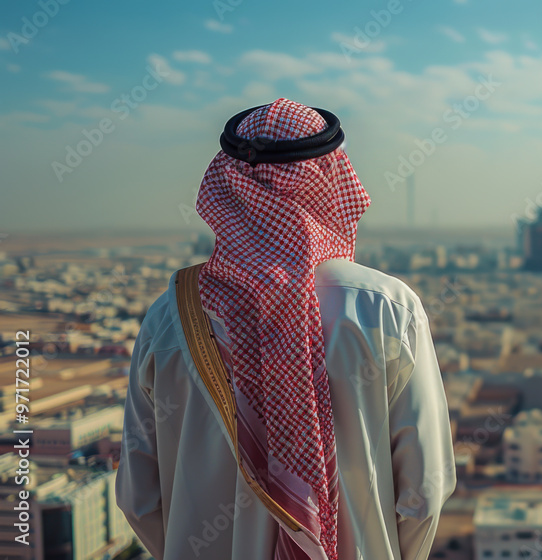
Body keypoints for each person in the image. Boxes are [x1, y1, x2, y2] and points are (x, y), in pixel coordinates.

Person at [116, 98, 456, 560]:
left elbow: (139, 498)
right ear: (333, 180)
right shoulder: (386, 309)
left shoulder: (169, 319)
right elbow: (423, 492)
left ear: (229, 186)